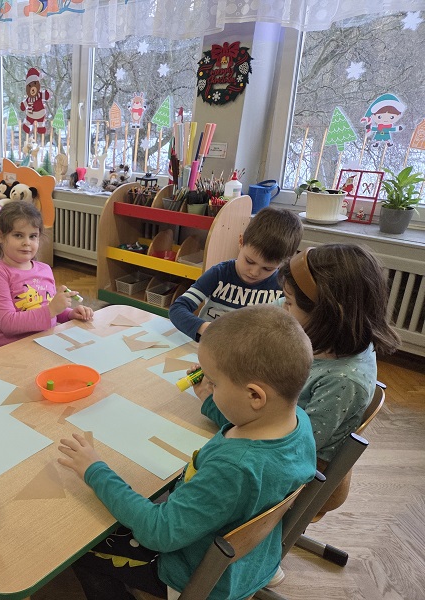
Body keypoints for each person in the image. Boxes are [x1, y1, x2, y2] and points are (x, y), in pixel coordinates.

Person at [58, 305, 316, 600]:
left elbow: (159, 532)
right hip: (253, 561)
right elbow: (243, 425)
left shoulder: (233, 468)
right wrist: (209, 400)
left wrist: (95, 471)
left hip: (194, 575)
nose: (208, 385)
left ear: (255, 395)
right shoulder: (296, 421)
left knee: (81, 550)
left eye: (214, 383)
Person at [277, 244, 400, 462]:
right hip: (279, 422)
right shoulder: (343, 335)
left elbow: (299, 447)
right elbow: (264, 315)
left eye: (288, 303)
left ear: (326, 315)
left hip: (297, 462)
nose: (281, 308)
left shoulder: (343, 380)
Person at [169, 206, 302, 340]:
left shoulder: (283, 288)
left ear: (285, 261)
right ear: (241, 241)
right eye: (249, 261)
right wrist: (205, 329)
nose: (254, 272)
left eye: (267, 269)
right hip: (210, 345)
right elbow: (177, 309)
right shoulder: (219, 274)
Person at [0, 201, 92, 351]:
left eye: (33, 236)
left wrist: (69, 314)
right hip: (9, 351)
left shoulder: (45, 269)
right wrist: (52, 310)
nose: (27, 243)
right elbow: (8, 324)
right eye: (18, 235)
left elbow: (46, 308)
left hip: (46, 344)